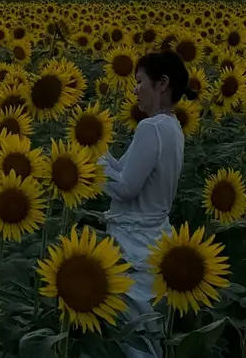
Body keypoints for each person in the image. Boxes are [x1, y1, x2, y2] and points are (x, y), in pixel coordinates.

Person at [98, 51, 190, 358]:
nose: (135, 89)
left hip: (133, 245)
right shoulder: (173, 129)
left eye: (139, 82)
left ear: (162, 83)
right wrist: (100, 151)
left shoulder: (151, 128)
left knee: (133, 339)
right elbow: (125, 170)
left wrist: (90, 166)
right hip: (156, 238)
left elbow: (124, 187)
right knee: (150, 334)